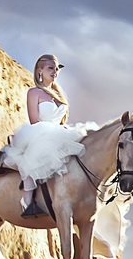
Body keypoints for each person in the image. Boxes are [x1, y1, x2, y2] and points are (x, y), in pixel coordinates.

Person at [5, 54, 85, 217]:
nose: (55, 72)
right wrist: (51, 133)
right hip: (39, 132)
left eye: (56, 69)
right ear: (40, 70)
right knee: (37, 154)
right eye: (51, 68)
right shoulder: (34, 92)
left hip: (58, 132)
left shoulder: (59, 96)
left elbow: (62, 121)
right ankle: (27, 202)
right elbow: (34, 120)